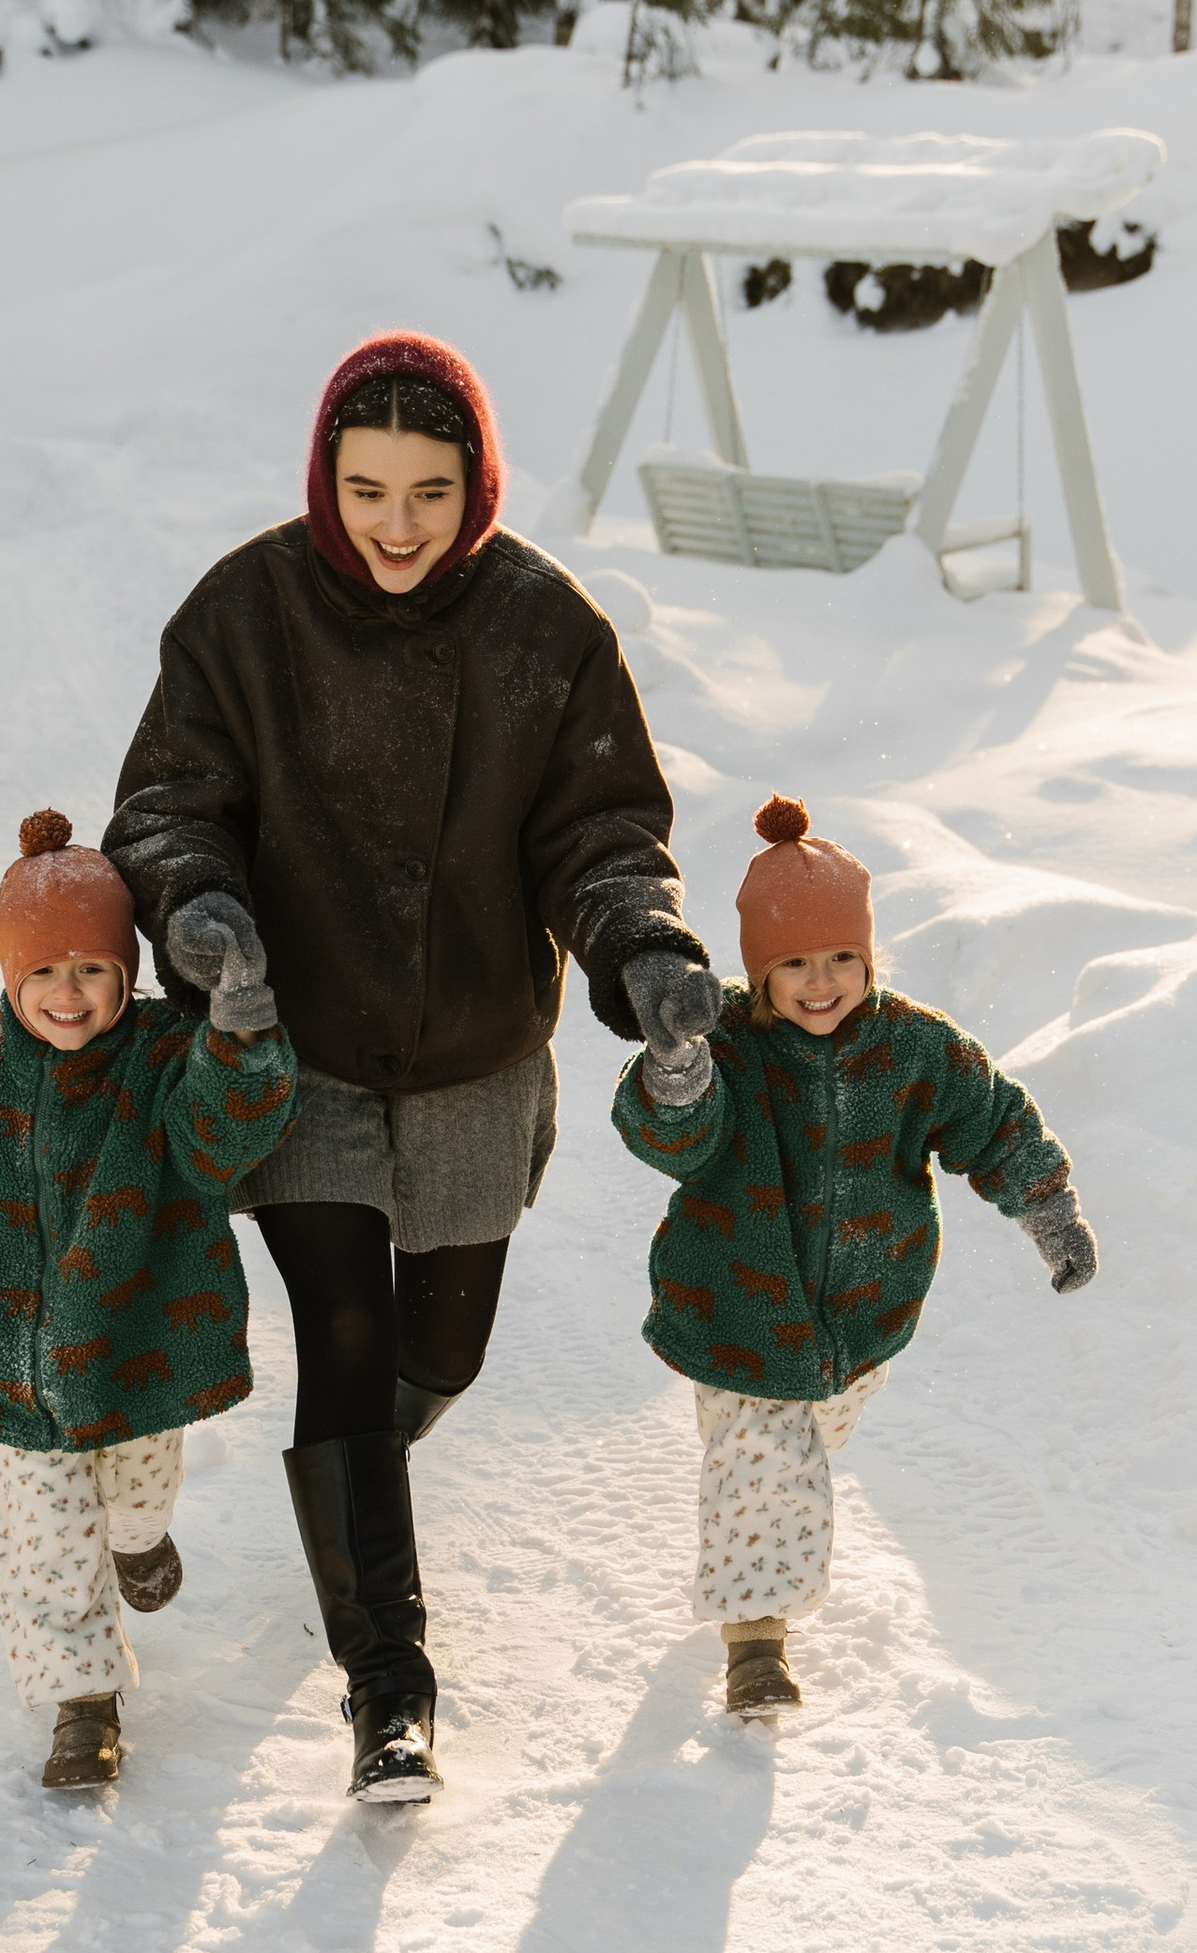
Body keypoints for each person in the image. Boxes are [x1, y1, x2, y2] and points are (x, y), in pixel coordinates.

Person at [106, 329, 718, 1806]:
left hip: (472, 1052)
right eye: (366, 488)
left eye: (430, 492)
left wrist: (642, 947)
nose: (396, 523)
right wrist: (201, 915)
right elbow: (171, 804)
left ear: (477, 484)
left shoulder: (544, 629)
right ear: (325, 478)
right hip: (295, 1048)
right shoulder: (244, 615)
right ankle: (390, 1687)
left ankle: (349, 1492)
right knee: (344, 1332)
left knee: (441, 1351)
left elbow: (600, 835)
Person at [0, 810, 297, 1791]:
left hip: (138, 1347)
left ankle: (140, 1540)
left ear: (126, 972)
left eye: (91, 970)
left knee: (135, 1494)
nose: (67, 994)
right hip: (11, 1363)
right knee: (47, 1538)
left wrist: (242, 1027)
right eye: (43, 971)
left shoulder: (165, 1057)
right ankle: (82, 1703)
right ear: (9, 974)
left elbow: (227, 1129)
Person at [613, 795, 1097, 1718]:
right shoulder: (727, 1047)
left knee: (804, 1442)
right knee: (766, 1460)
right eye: (793, 963)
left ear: (871, 958)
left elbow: (994, 1121)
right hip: (737, 1313)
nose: (821, 981)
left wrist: (1048, 1207)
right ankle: (756, 1639)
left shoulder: (916, 1048)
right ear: (759, 972)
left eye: (842, 957)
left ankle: (755, 1522)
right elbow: (667, 1136)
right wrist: (675, 1073)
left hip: (865, 1316)